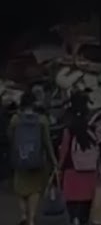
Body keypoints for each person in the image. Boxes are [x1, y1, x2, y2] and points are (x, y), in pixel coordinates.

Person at [8, 91, 57, 225]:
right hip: (37, 161)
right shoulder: (42, 120)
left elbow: (10, 138)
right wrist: (54, 161)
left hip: (20, 160)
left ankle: (23, 215)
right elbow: (47, 142)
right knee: (34, 190)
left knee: (20, 189)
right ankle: (31, 220)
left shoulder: (15, 119)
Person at [58, 93, 101, 225]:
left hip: (71, 169)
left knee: (71, 200)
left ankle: (74, 219)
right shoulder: (92, 126)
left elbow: (64, 150)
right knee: (86, 201)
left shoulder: (69, 127)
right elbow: (98, 148)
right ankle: (82, 220)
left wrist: (59, 168)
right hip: (90, 170)